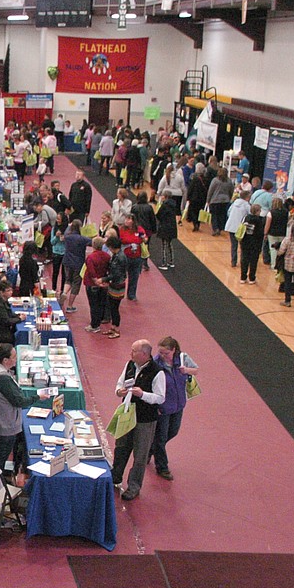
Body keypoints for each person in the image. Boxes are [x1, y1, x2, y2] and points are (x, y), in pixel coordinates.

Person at [112, 339, 166, 501]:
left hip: (145, 419)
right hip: (127, 414)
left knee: (140, 454)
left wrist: (142, 394)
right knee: (121, 447)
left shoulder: (158, 372)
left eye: (134, 351)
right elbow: (120, 383)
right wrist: (119, 392)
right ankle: (115, 476)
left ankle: (134, 486)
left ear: (144, 354)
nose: (131, 353)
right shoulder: (129, 365)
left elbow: (160, 398)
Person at [148, 337, 198, 482]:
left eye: (166, 353)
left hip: (178, 405)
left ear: (174, 350)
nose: (162, 356)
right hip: (162, 408)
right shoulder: (155, 364)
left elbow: (196, 370)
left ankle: (151, 448)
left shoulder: (182, 359)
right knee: (161, 438)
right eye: (161, 353)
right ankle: (162, 467)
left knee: (173, 431)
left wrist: (186, 370)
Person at [0, 343, 29, 476]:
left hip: (2, 420)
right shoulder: (2, 379)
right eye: (14, 356)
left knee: (0, 453)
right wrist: (37, 397)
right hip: (5, 424)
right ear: (5, 360)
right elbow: (19, 401)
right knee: (1, 454)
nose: (16, 359)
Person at [60, 220, 91, 312]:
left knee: (68, 279)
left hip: (67, 261)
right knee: (76, 284)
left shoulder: (67, 237)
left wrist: (69, 226)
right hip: (78, 263)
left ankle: (64, 292)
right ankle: (70, 306)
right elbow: (93, 242)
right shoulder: (82, 239)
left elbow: (65, 232)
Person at [83, 237, 112, 333]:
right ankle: (98, 321)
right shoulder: (107, 256)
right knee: (100, 303)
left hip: (92, 284)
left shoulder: (91, 257)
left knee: (93, 304)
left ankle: (94, 325)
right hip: (103, 283)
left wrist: (96, 281)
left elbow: (91, 272)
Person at [103, 235, 129, 339]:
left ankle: (117, 329)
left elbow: (117, 274)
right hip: (114, 284)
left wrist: (104, 279)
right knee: (112, 306)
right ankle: (113, 327)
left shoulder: (120, 257)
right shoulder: (116, 255)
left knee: (115, 308)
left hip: (117, 285)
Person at [117, 214, 147, 301]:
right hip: (125, 257)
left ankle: (131, 294)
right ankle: (119, 293)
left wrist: (143, 238)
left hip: (136, 257)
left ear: (133, 221)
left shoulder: (139, 229)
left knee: (134, 276)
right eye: (126, 219)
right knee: (121, 276)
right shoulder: (121, 229)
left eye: (129, 219)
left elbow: (144, 239)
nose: (126, 220)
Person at [238, 204, 267, 285]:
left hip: (245, 242)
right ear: (257, 211)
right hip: (255, 244)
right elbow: (260, 233)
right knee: (253, 261)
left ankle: (243, 277)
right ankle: (251, 278)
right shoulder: (259, 220)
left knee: (244, 260)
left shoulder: (246, 218)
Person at [0, 278, 22, 344]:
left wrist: (17, 316)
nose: (11, 292)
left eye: (11, 290)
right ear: (1, 292)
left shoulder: (3, 301)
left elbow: (8, 314)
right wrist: (19, 319)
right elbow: (6, 321)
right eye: (8, 291)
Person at [224, 189, 252, 268]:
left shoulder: (234, 203)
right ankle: (243, 261)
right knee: (243, 246)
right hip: (241, 228)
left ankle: (233, 261)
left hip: (231, 226)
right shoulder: (247, 205)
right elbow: (250, 215)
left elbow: (228, 212)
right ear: (247, 197)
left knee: (234, 245)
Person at [154, 192, 180, 270]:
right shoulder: (173, 205)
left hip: (164, 226)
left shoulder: (164, 205)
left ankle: (164, 263)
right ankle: (171, 261)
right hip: (172, 227)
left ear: (165, 197)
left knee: (164, 245)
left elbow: (159, 215)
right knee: (169, 244)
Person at [206, 167, 233, 236]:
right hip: (225, 200)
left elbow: (210, 191)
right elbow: (231, 191)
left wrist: (208, 200)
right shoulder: (229, 181)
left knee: (214, 215)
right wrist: (229, 198)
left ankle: (215, 228)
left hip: (215, 200)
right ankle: (220, 228)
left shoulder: (215, 180)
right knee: (222, 215)